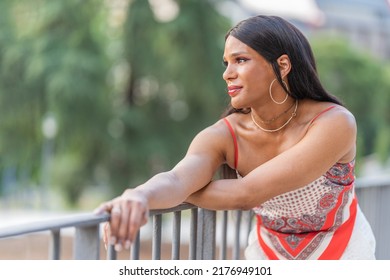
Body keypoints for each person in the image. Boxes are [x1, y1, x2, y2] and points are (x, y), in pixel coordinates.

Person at [95, 15, 376, 260]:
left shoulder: (334, 122)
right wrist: (139, 196)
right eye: (226, 63)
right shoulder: (225, 134)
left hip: (345, 251)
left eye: (240, 60)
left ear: (283, 64)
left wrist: (179, 191)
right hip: (267, 255)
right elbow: (177, 178)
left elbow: (246, 193)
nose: (227, 74)